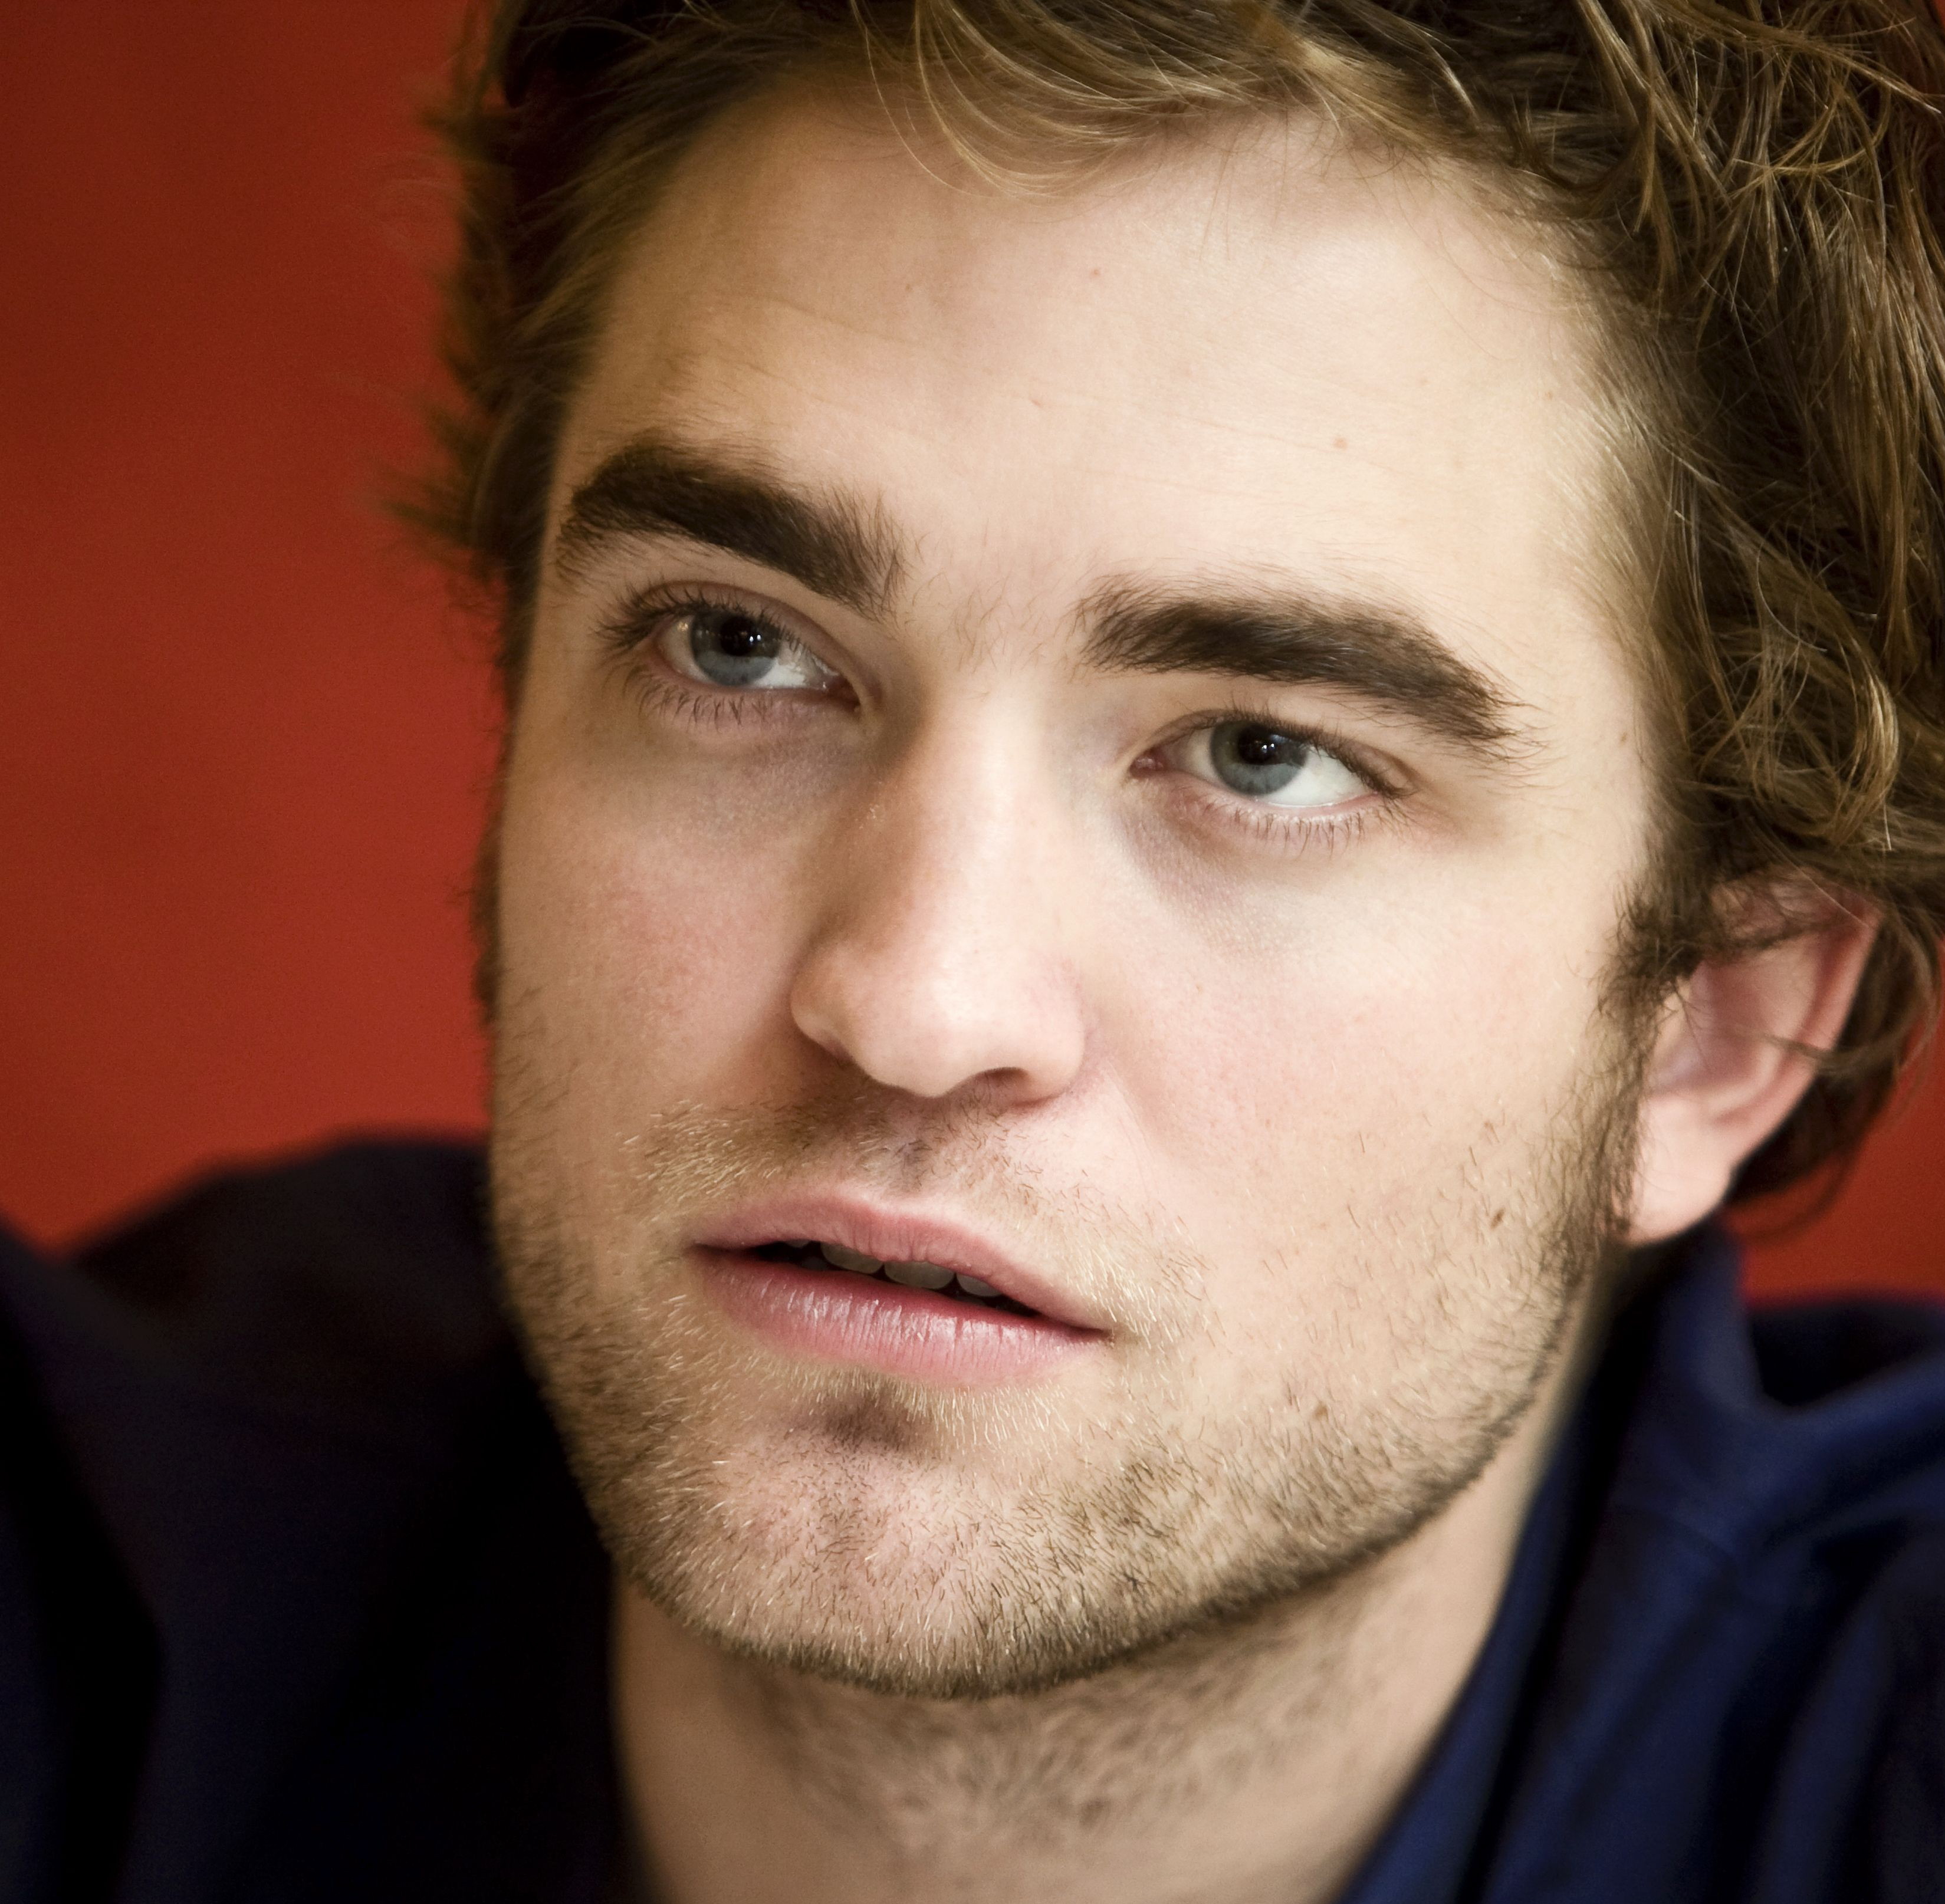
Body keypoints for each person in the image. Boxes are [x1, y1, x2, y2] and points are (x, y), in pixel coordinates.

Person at [5, 1, 1945, 1898]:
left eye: (1261, 757)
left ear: (1717, 1026)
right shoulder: (99, 1601)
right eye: (740, 647)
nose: (914, 1006)